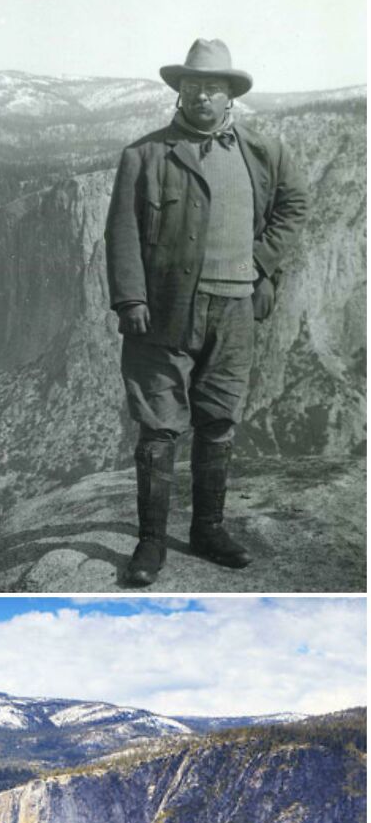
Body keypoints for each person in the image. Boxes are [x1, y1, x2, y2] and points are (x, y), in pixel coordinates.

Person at [105, 38, 307, 587]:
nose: (201, 97)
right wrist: (131, 298)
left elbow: (294, 206)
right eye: (192, 87)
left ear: (230, 96)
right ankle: (150, 543)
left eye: (212, 88)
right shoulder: (144, 155)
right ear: (180, 92)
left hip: (235, 308)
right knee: (158, 428)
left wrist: (260, 260)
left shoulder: (261, 152)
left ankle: (208, 530)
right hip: (164, 311)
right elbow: (121, 230)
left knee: (217, 421)